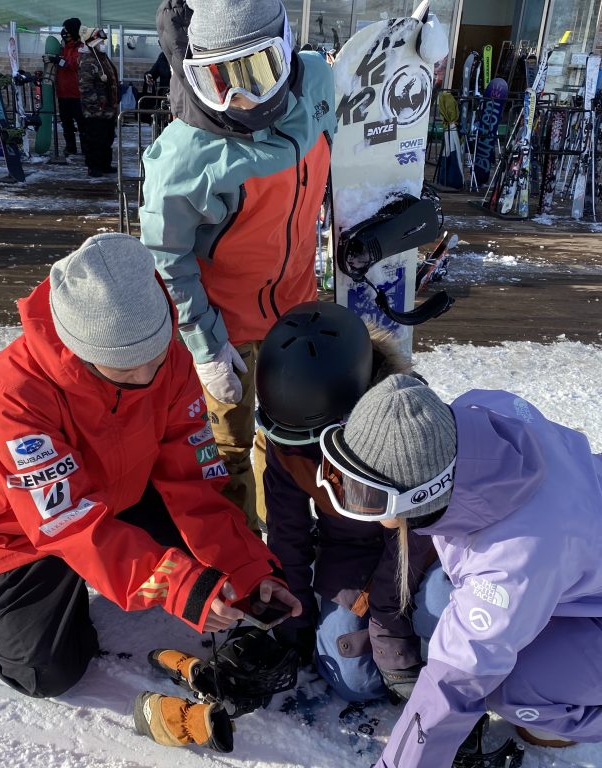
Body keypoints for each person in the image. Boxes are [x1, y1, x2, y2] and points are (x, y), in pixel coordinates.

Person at [0, 232, 300, 701]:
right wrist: (176, 587)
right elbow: (63, 519)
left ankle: (127, 565)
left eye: (153, 358)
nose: (146, 377)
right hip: (22, 528)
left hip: (122, 497)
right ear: (82, 350)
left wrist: (248, 571)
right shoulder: (15, 392)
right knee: (45, 672)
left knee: (215, 578)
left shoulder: (169, 360)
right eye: (124, 369)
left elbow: (192, 481)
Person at [316, 375, 602, 767]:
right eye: (342, 474)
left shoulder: (514, 559)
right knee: (462, 623)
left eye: (366, 495)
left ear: (424, 493)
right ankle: (569, 667)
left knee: (506, 689)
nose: (346, 498)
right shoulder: (480, 415)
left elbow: (454, 686)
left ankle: (600, 711)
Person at [140, 0, 337, 532]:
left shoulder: (316, 81)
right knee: (225, 446)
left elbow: (329, 159)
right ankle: (244, 557)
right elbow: (167, 258)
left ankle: (287, 533)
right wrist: (206, 349)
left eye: (255, 72)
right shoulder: (186, 156)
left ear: (287, 49)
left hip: (296, 309)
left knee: (292, 436)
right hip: (226, 329)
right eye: (217, 79)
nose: (239, 98)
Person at [254, 301, 438, 703]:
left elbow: (419, 532)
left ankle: (452, 672)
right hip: (350, 551)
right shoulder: (289, 429)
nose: (305, 454)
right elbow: (287, 529)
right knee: (354, 680)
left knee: (436, 607)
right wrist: (295, 614)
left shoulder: (404, 423)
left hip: (424, 553)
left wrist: (390, 631)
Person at [77, 26, 119, 178]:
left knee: (107, 138)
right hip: (96, 110)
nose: (103, 44)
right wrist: (96, 107)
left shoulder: (101, 57)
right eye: (100, 41)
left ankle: (104, 164)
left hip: (108, 109)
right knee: (95, 138)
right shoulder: (88, 60)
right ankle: (93, 166)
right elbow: (85, 86)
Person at [54, 17, 84, 158]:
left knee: (82, 123)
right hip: (63, 92)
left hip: (76, 94)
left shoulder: (80, 48)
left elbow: (73, 65)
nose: (64, 33)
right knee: (66, 124)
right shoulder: (63, 48)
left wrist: (58, 60)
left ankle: (86, 148)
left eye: (66, 30)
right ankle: (70, 147)